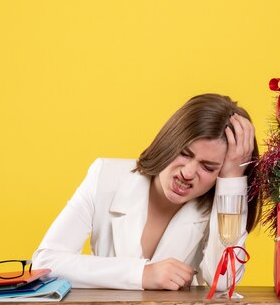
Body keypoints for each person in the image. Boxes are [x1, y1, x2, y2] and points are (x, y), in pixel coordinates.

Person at [32, 93, 260, 291]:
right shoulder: (105, 176)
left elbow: (223, 282)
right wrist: (141, 273)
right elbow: (45, 263)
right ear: (170, 141)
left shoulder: (215, 207)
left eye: (208, 167)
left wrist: (231, 179)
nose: (188, 173)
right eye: (184, 154)